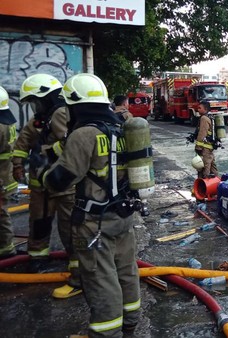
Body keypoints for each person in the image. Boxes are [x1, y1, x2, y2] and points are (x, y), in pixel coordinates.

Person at [42, 73, 141, 336]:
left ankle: (106, 333)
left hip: (95, 222)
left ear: (75, 105)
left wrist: (44, 174)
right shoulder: (122, 128)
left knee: (100, 278)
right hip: (124, 214)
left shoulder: (84, 134)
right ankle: (131, 320)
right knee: (126, 270)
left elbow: (61, 179)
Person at [13, 73, 81, 298]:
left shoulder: (62, 114)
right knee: (39, 222)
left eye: (36, 101)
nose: (35, 106)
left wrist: (47, 153)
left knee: (69, 226)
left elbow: (69, 142)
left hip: (63, 183)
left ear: (47, 97)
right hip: (41, 185)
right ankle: (37, 257)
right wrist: (18, 164)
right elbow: (22, 142)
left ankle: (76, 267)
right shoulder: (39, 120)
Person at [0, 86, 17, 259]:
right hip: (6, 175)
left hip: (1, 177)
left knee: (1, 214)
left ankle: (5, 248)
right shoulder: (7, 122)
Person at [195, 101, 219, 178]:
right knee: (212, 166)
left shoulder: (204, 118)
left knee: (204, 167)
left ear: (205, 109)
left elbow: (202, 133)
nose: (198, 109)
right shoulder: (209, 117)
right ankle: (217, 184)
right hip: (210, 147)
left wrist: (198, 147)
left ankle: (204, 185)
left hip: (205, 148)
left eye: (200, 108)